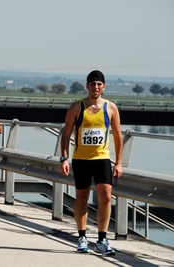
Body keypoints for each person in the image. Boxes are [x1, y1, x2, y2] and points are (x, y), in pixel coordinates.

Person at [59, 70, 123, 255]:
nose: (95, 87)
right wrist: (63, 158)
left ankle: (102, 240)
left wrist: (118, 163)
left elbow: (118, 137)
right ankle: (82, 237)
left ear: (103, 86)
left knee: (106, 198)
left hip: (102, 159)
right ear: (87, 86)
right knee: (82, 198)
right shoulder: (76, 107)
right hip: (81, 160)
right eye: (92, 84)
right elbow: (66, 135)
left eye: (99, 84)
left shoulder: (111, 108)